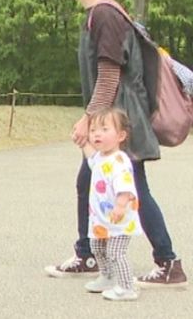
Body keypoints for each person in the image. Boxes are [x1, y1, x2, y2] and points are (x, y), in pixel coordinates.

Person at [45, 0, 185, 287]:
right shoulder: (99, 13)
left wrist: (88, 120)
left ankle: (166, 262)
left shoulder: (105, 15)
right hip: (116, 117)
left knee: (133, 185)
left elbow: (109, 75)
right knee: (91, 182)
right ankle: (89, 252)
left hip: (121, 121)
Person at [79, 108, 142, 301]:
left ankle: (126, 286)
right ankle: (107, 276)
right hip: (101, 218)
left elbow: (125, 187)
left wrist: (121, 205)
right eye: (94, 130)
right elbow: (91, 158)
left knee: (115, 252)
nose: (97, 134)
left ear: (121, 136)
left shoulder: (119, 161)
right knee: (97, 247)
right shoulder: (101, 157)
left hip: (118, 218)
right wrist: (82, 141)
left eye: (104, 129)